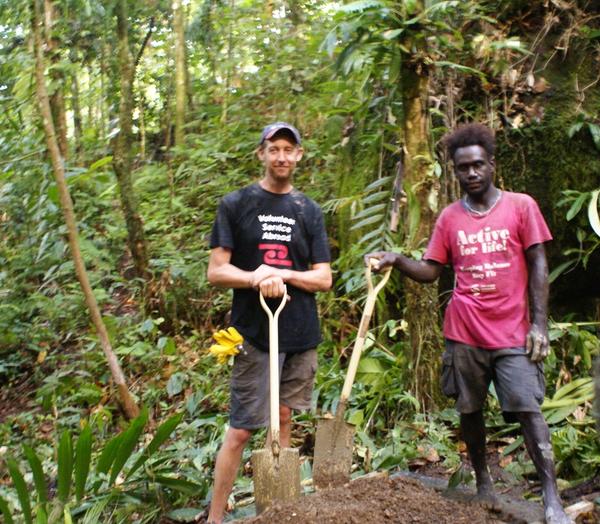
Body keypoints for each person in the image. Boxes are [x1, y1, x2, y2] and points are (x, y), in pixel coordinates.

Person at [367, 123, 571, 524]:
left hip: (513, 332)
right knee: (470, 410)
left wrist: (540, 325)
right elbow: (431, 271)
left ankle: (552, 498)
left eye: (478, 165)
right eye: (464, 168)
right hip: (464, 332)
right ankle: (483, 484)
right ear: (455, 171)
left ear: (492, 164)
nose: (472, 173)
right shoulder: (449, 218)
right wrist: (397, 259)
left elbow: (539, 263)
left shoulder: (521, 206)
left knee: (529, 410)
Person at [206, 122, 332, 523]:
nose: (281, 156)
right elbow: (216, 271)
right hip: (254, 333)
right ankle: (214, 516)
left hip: (299, 332)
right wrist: (255, 276)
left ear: (299, 156)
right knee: (242, 429)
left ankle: (280, 511)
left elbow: (323, 278)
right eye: (273, 148)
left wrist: (286, 275)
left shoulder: (308, 211)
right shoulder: (236, 204)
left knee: (283, 419)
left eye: (288, 150)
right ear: (261, 153)